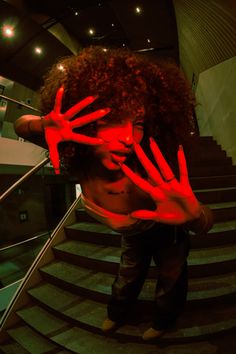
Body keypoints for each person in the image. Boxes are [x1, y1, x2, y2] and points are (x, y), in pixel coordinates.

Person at [14, 46, 213, 341]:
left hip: (168, 232)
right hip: (134, 235)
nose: (128, 138)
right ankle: (118, 313)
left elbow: (205, 220)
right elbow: (21, 126)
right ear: (84, 119)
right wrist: (41, 124)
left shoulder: (150, 171)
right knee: (127, 276)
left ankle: (164, 321)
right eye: (111, 120)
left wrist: (195, 217)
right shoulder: (83, 157)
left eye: (138, 124)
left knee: (171, 278)